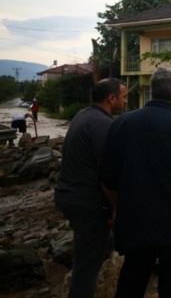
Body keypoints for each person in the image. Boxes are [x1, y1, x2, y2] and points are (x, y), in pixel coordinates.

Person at [99, 67, 171, 298]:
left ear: (153, 91)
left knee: (131, 280)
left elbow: (107, 175)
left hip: (134, 222)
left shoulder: (122, 124)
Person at [54, 78, 127, 298]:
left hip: (69, 196)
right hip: (87, 203)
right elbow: (106, 174)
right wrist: (115, 209)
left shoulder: (83, 115)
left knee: (97, 250)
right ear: (111, 98)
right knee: (86, 267)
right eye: (123, 96)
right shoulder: (103, 125)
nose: (125, 101)